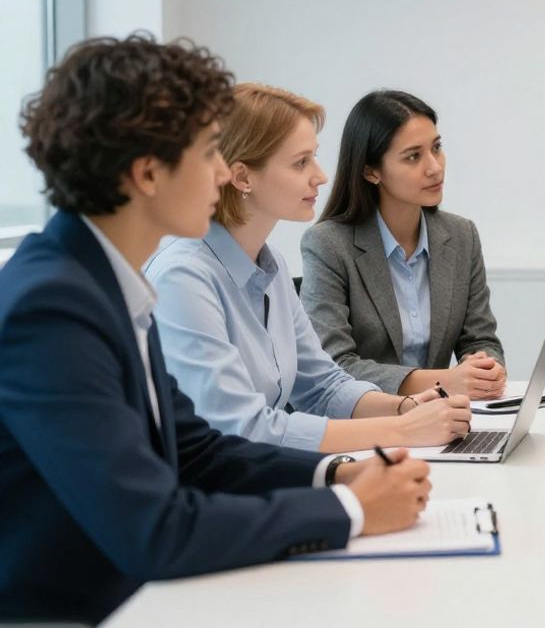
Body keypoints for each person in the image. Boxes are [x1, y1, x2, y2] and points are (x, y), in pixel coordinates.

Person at [0, 35, 431, 624]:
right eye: (208, 153)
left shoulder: (104, 280)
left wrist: (335, 471)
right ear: (148, 173)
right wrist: (349, 510)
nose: (223, 172)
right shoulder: (52, 307)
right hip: (84, 611)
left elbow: (197, 450)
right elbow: (154, 528)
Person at [146, 83, 471, 452]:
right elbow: (242, 429)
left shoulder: (271, 266)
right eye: (301, 162)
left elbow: (323, 385)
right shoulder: (183, 279)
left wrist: (404, 407)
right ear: (242, 177)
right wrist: (402, 431)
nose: (320, 175)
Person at [302, 89, 506, 398]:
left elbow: (481, 340)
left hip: (444, 421)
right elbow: (335, 365)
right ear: (371, 171)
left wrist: (484, 366)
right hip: (368, 425)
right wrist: (444, 381)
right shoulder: (328, 245)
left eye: (436, 148)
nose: (435, 167)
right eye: (413, 156)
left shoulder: (462, 235)